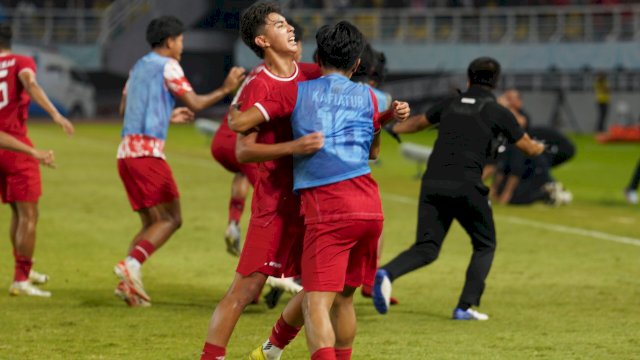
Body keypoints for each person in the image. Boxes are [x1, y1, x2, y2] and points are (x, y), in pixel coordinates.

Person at [228, 21, 410, 359]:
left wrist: (238, 106)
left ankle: (274, 348)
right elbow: (372, 153)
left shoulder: (298, 91)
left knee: (316, 301)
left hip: (329, 209)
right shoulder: (371, 96)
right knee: (343, 299)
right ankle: (271, 348)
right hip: (370, 208)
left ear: (316, 56)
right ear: (357, 64)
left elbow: (239, 123)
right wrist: (383, 119)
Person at [372, 57, 546, 320]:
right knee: (485, 244)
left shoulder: (450, 102)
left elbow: (417, 123)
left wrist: (392, 127)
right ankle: (464, 306)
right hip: (467, 185)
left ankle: (386, 273)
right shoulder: (497, 111)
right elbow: (528, 148)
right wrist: (541, 147)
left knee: (427, 247)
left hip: (432, 183)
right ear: (496, 82)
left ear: (469, 78)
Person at [200, 3, 323, 359]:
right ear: (261, 40)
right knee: (244, 289)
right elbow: (243, 152)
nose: (289, 29)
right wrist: (295, 146)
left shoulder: (312, 73)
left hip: (310, 200)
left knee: (323, 284)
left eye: (287, 23)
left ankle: (272, 348)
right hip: (274, 203)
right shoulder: (258, 84)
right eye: (279, 24)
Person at [113, 15, 246, 307]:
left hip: (125, 155)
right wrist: (226, 89)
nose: (182, 46)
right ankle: (130, 265)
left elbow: (125, 109)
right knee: (173, 219)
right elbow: (196, 103)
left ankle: (129, 284)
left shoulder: (138, 67)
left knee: (151, 224)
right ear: (170, 41)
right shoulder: (168, 66)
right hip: (148, 155)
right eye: (181, 40)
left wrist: (165, 115)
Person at [0, 23, 75, 297]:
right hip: (16, 146)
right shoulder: (21, 61)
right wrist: (55, 114)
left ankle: (24, 268)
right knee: (29, 214)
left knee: (17, 213)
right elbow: (30, 82)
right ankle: (21, 278)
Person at [490, 89, 574, 206]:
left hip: (525, 160)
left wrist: (504, 107)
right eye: (507, 98)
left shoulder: (522, 116)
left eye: (511, 99)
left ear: (519, 102)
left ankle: (550, 190)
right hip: (511, 159)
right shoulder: (502, 119)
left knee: (519, 191)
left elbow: (519, 123)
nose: (508, 102)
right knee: (502, 167)